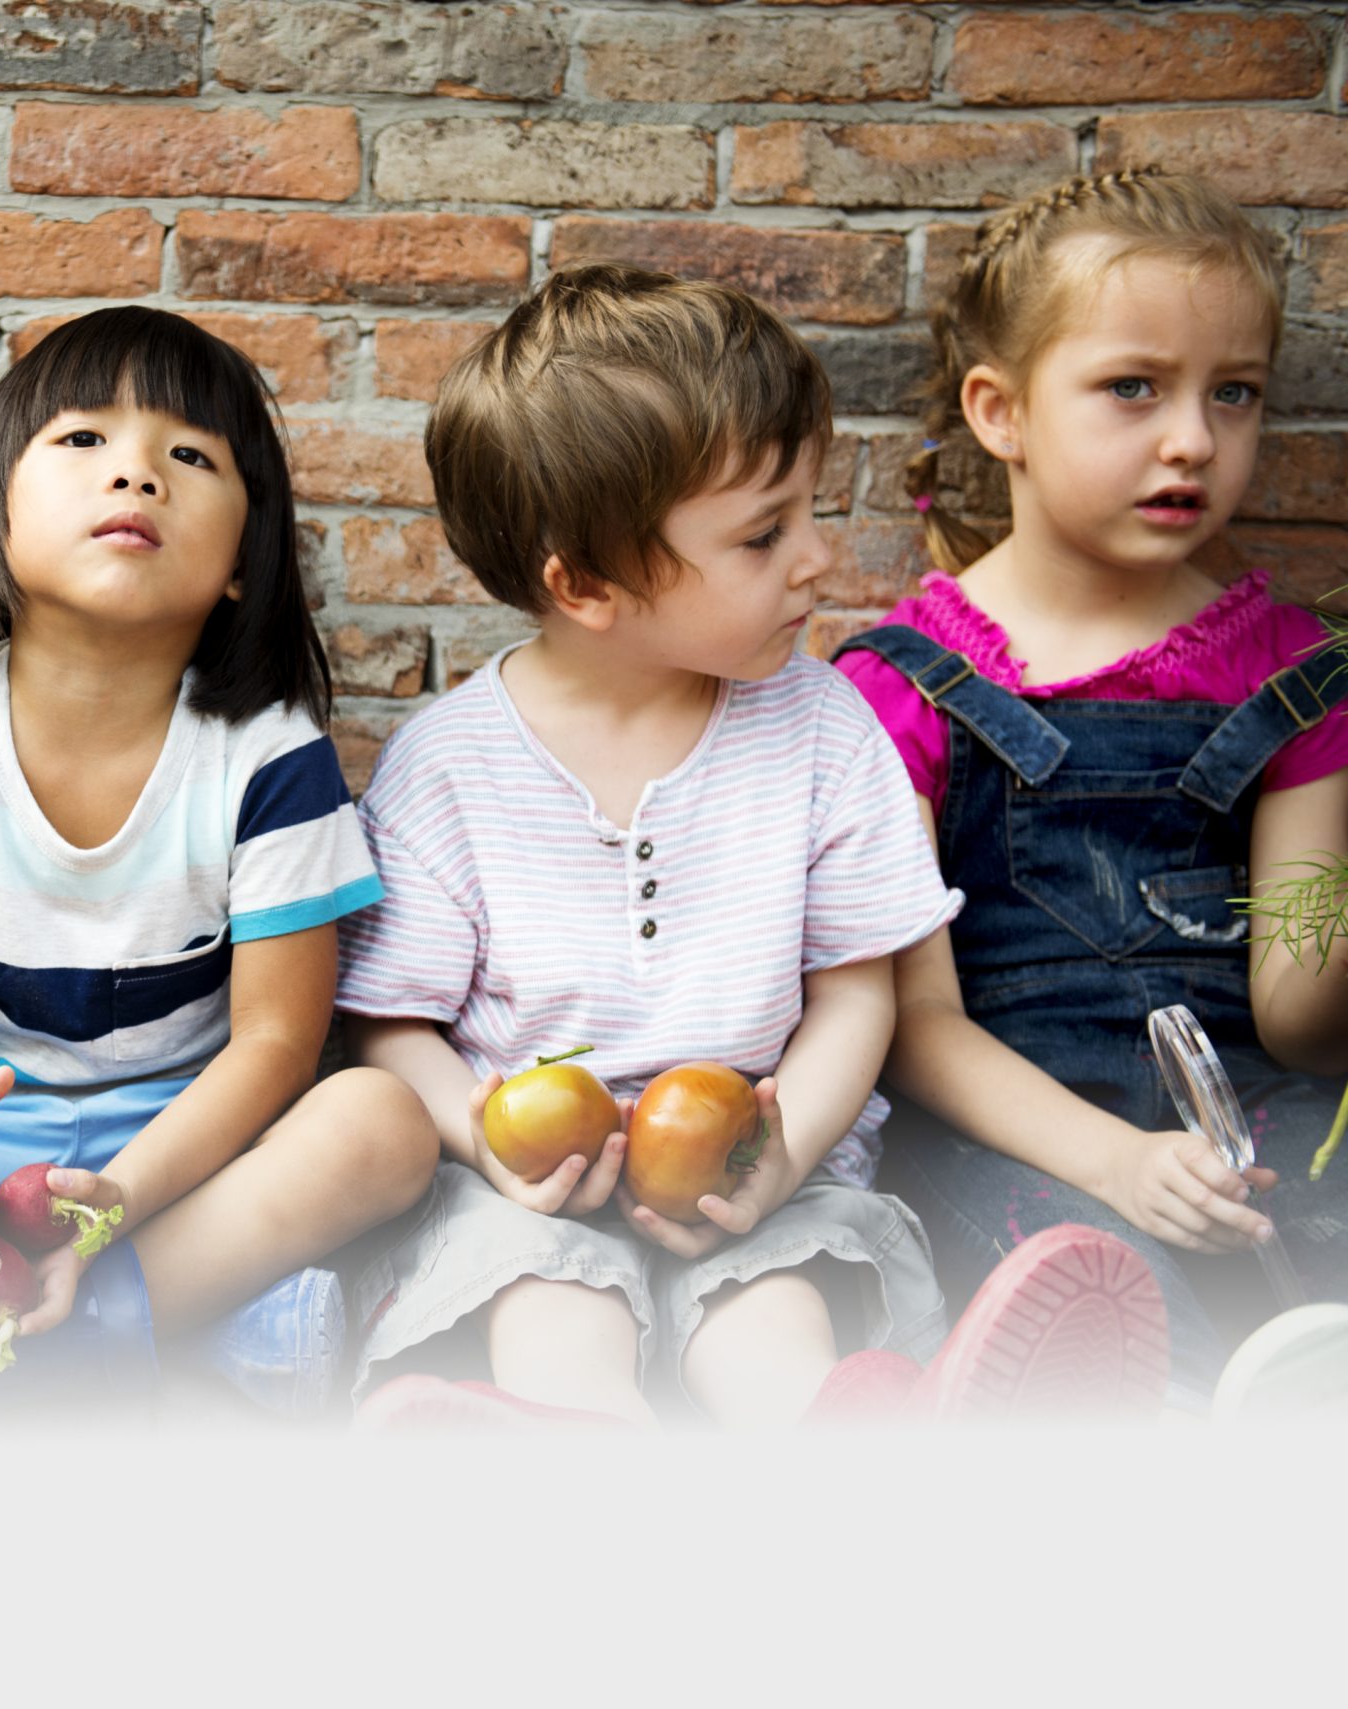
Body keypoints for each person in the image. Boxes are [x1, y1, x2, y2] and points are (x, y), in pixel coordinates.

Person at [342, 266, 1167, 1433]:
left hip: (758, 1169)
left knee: (773, 1323)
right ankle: (568, 1452)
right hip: (534, 1199)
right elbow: (391, 1024)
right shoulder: (447, 766)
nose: (814, 559)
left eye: (808, 514)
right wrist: (483, 1141)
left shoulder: (823, 726)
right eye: (762, 534)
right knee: (551, 1316)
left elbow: (854, 996)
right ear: (586, 586)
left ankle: (863, 1446)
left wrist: (783, 1155)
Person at [0, 307, 437, 1416]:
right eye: (83, 441)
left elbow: (277, 1044)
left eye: (189, 456)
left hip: (181, 1147)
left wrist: (112, 1207)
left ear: (243, 562)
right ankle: (206, 1325)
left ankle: (66, 1326)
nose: (136, 474)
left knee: (381, 1123)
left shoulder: (270, 757)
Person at [834, 169, 1348, 1405]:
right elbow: (917, 1027)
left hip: (1256, 1114)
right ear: (999, 410)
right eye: (1133, 387)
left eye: (1234, 394)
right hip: (1019, 1136)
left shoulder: (1297, 677)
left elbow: (1298, 1008)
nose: (1192, 439)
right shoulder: (895, 685)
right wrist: (1118, 1162)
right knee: (1093, 1293)